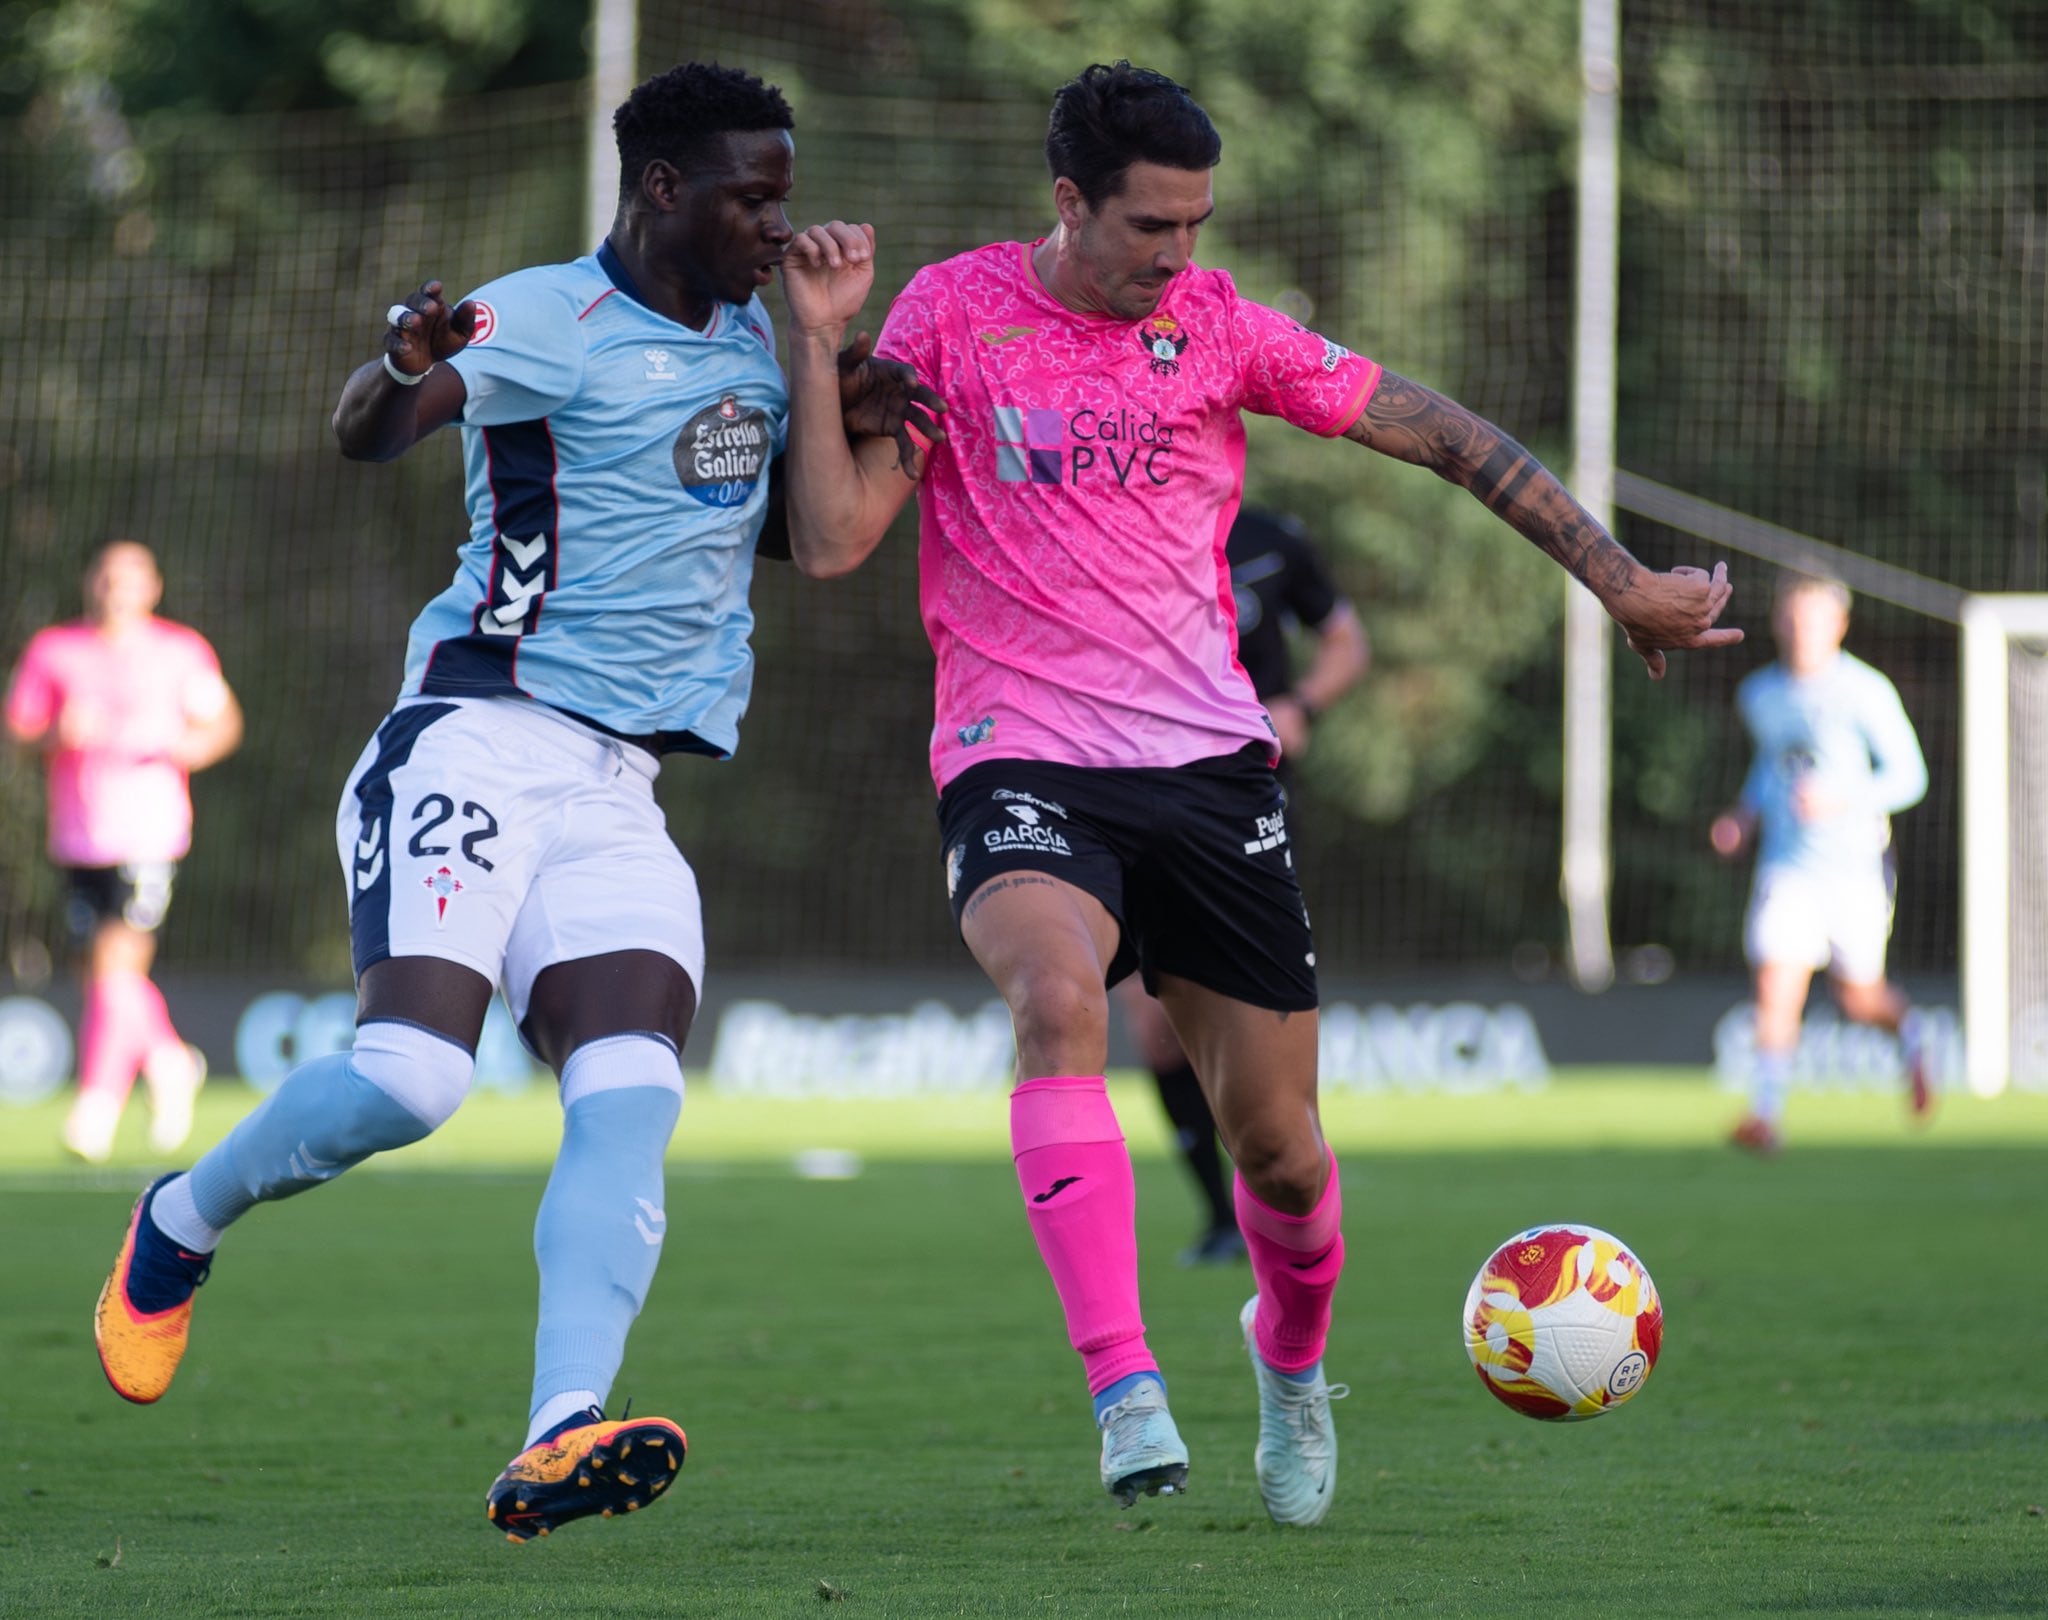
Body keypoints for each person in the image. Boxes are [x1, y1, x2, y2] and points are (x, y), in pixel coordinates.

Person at [776, 61, 1738, 1526]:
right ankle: (1122, 1385)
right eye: (1152, 226)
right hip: (1017, 750)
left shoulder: (1219, 327)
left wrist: (1620, 583)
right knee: (1056, 1001)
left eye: (1196, 224)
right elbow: (838, 539)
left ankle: (1291, 1365)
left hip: (1209, 770)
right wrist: (814, 342)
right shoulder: (950, 318)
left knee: (1281, 1157)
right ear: (1068, 202)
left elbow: (1443, 435)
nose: (1179, 255)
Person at [90, 61, 938, 1543]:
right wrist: (401, 360)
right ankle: (178, 1221)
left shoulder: (758, 341)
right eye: (752, 194)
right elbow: (373, 427)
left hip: (620, 790)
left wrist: (838, 380)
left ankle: (561, 1430)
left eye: (784, 194)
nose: (775, 222)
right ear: (663, 188)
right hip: (477, 735)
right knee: (412, 1083)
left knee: (632, 1099)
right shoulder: (546, 316)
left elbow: (798, 536)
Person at [1117, 508, 1369, 1266]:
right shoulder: (1118, 521)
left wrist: (1304, 704)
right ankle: (1220, 1215)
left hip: (1243, 796)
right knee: (1154, 1024)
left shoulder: (1272, 539)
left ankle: (1288, 1187)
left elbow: (1346, 639)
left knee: (1246, 1024)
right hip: (1127, 786)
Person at [5, 540, 241, 1163]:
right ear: (91, 583)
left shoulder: (181, 651)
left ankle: (95, 1109)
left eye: (130, 579)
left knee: (115, 964)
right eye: (108, 578)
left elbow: (222, 724)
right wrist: (57, 734)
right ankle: (167, 1059)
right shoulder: (56, 651)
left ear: (153, 587)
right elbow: (22, 732)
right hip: (78, 835)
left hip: (149, 833)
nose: (117, 590)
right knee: (104, 977)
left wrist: (186, 747)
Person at [1710, 571, 1929, 1154]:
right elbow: (1771, 766)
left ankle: (1908, 1032)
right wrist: (1744, 816)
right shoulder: (1761, 695)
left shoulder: (1866, 691)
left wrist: (1842, 798)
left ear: (1840, 624)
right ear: (1779, 622)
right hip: (1787, 866)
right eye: (1792, 617)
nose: (1801, 630)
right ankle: (1766, 1115)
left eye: (1813, 618)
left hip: (1855, 867)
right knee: (1776, 981)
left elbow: (1911, 777)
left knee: (1860, 999)